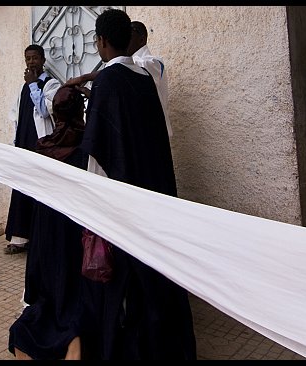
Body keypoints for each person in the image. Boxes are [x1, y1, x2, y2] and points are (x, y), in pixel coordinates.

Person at [78, 9, 196, 360]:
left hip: (122, 198)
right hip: (153, 190)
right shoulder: (144, 78)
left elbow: (98, 154)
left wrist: (91, 205)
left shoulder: (107, 83)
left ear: (100, 41)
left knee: (126, 283)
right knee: (157, 276)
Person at [8, 86, 89, 360]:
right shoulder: (87, 148)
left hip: (46, 228)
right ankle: (72, 338)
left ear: (54, 113)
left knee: (48, 289)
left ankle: (43, 335)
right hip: (76, 228)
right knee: (74, 285)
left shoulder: (43, 147)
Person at [64, 20, 172, 138]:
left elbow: (125, 67)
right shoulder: (124, 70)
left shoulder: (154, 63)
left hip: (154, 132)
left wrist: (84, 77)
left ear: (142, 39)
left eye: (129, 35)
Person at [4, 44, 61, 255]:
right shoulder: (23, 87)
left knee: (42, 190)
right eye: (27, 59)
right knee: (22, 190)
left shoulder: (50, 84)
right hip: (24, 144)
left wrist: (33, 85)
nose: (31, 62)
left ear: (43, 60)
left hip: (42, 145)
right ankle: (20, 239)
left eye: (35, 58)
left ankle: (41, 239)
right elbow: (16, 116)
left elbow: (46, 110)